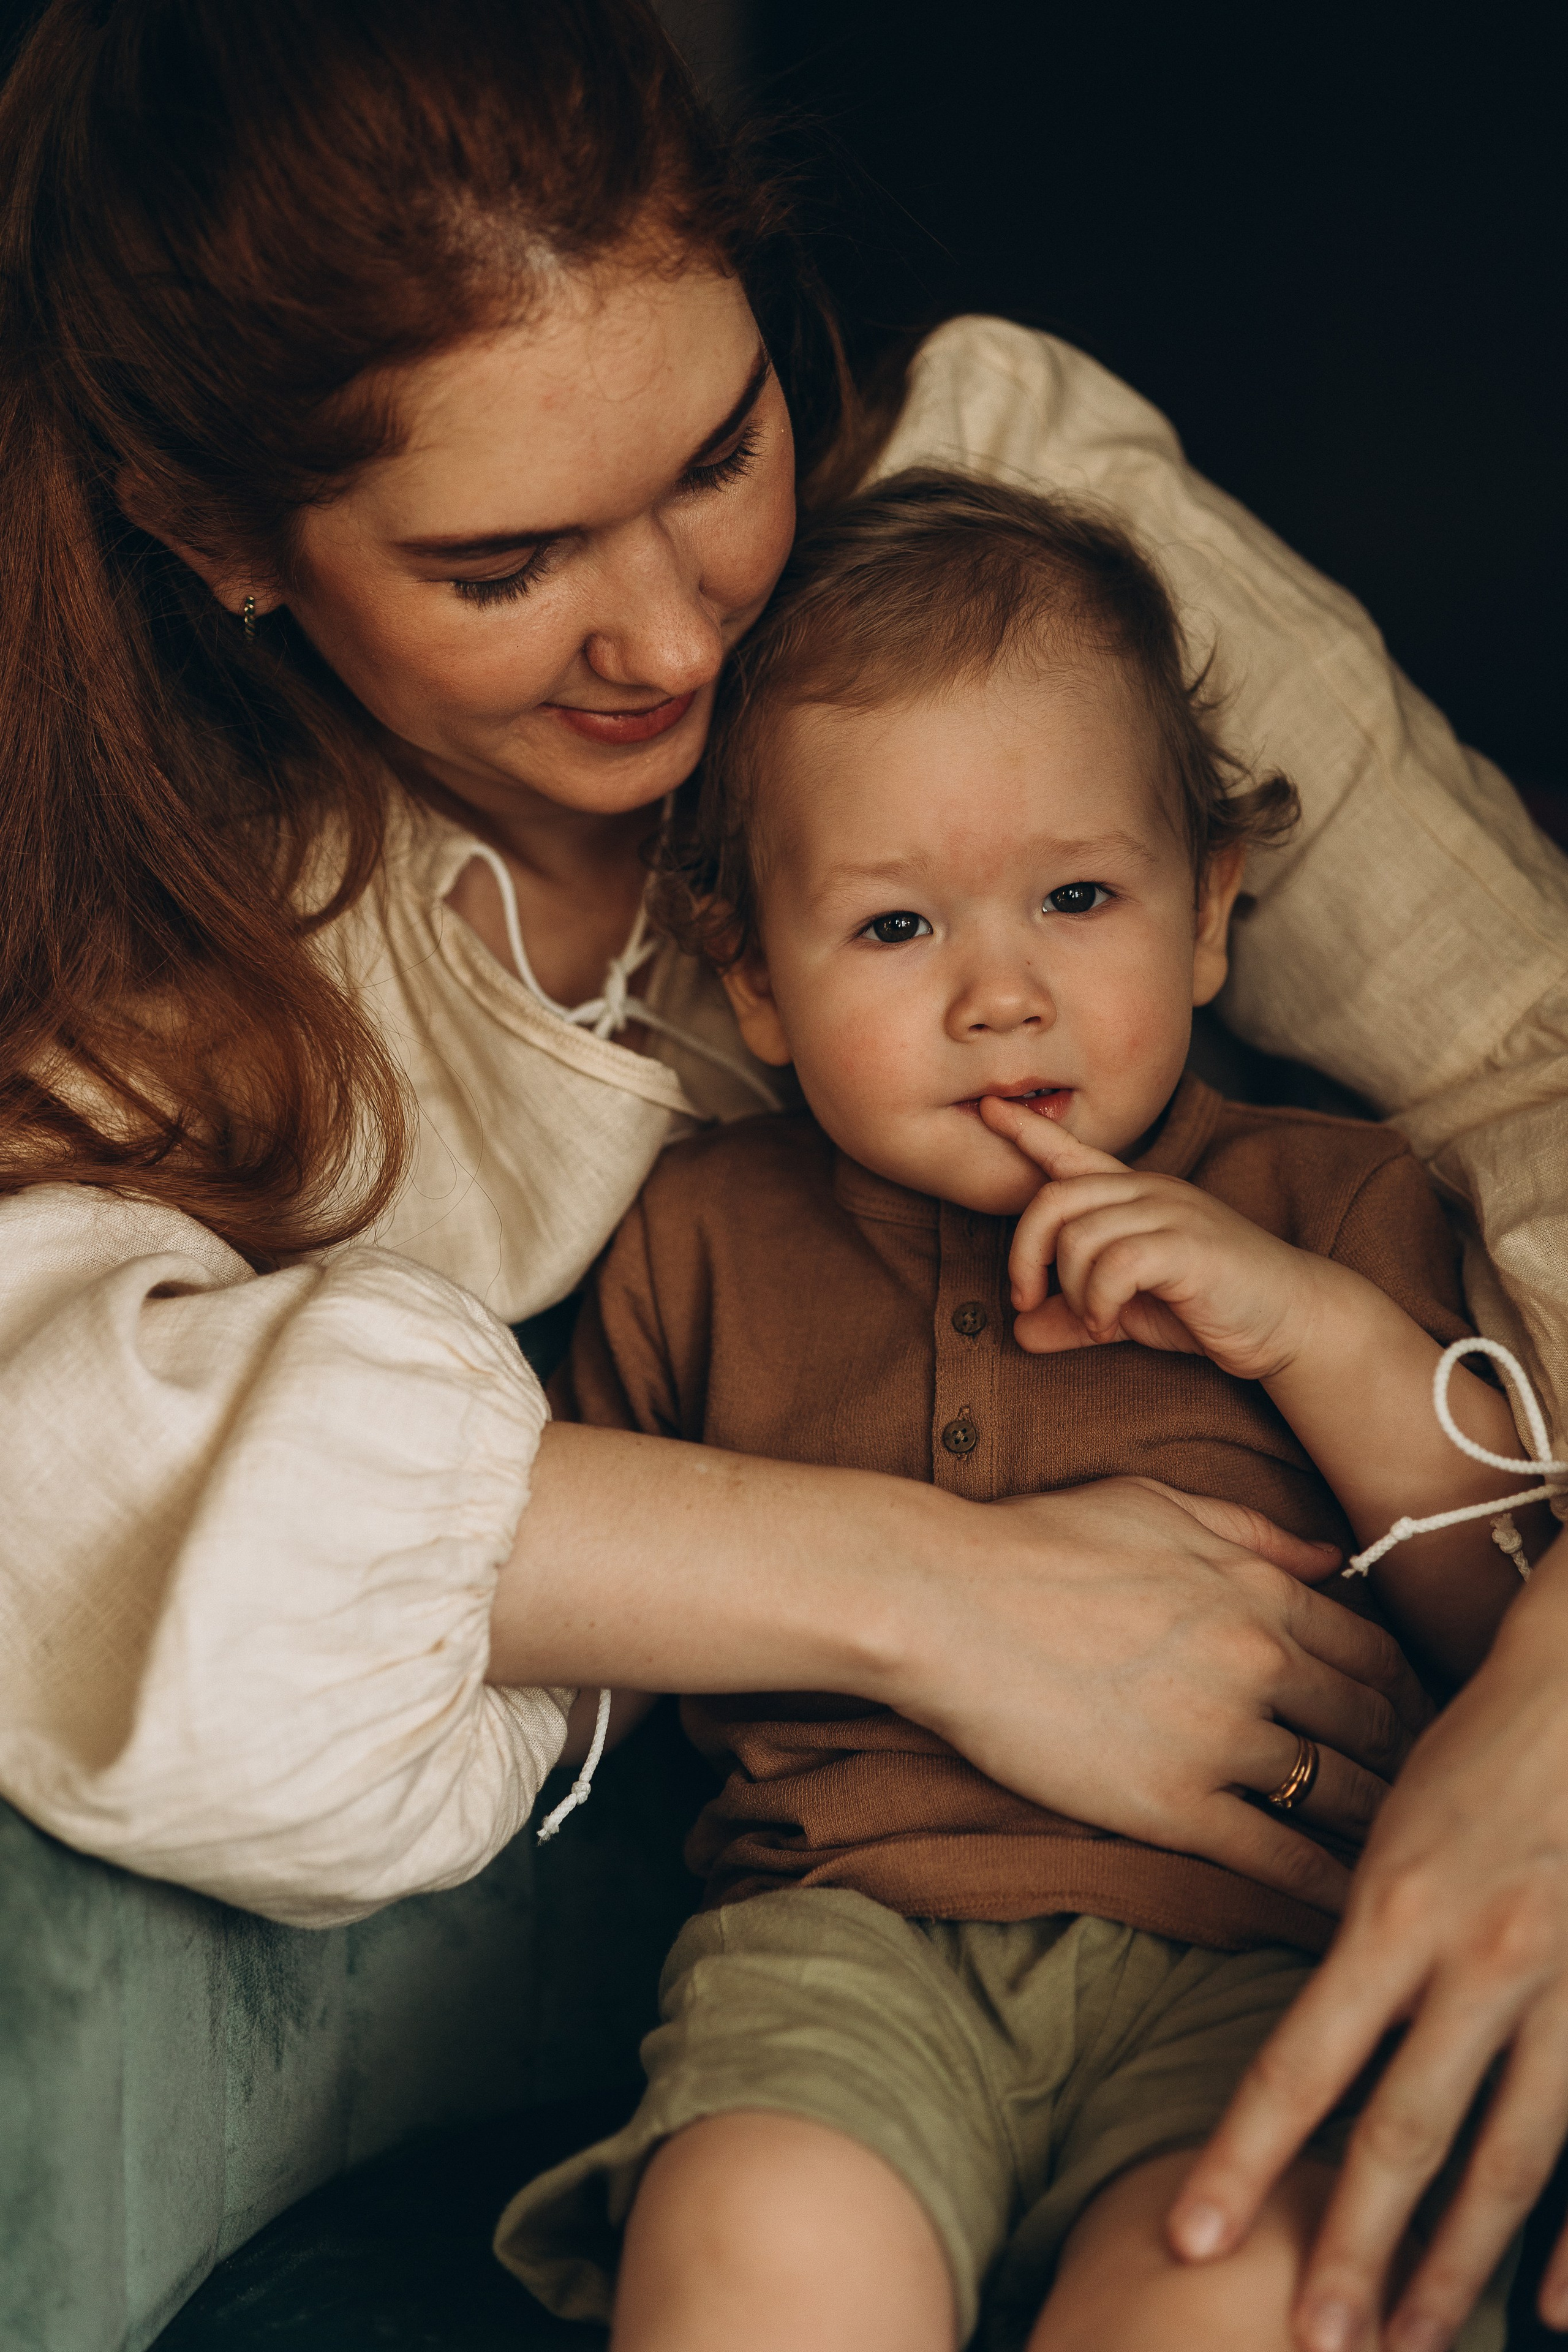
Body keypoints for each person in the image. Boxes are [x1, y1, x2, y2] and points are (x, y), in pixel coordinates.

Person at [0, 3, 1564, 2343]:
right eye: (508, 559)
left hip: (1277, 1916)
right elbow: (55, 1474)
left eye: (719, 450)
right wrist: (934, 1593)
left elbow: (1524, 1057)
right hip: (837, 1942)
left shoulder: (1024, 531)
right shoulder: (204, 935)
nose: (680, 631)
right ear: (219, 539)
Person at [492, 474, 1536, 2352]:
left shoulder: (1332, 1204)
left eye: (1077, 898)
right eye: (895, 931)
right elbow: (565, 1613)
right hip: (834, 1949)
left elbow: (1496, 1627)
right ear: (762, 984)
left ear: (1210, 915)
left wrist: (1313, 1336)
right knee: (760, 2240)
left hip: (1259, 1963)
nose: (1003, 996)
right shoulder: (702, 1237)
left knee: (1250, 2292)